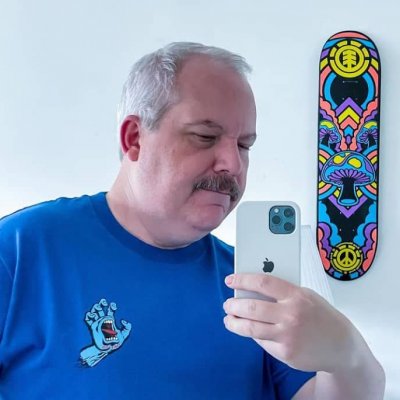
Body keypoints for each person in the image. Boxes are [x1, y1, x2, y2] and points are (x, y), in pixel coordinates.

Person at [0, 42, 385, 399]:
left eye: (244, 145)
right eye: (205, 136)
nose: (233, 164)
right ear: (134, 138)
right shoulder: (20, 251)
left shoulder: (252, 289)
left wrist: (348, 355)